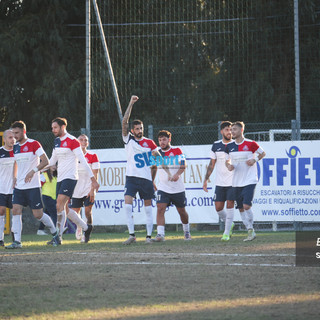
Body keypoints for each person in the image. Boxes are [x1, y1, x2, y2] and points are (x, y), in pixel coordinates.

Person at [6, 121, 59, 249]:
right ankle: (17, 241)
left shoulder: (34, 144)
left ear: (24, 131)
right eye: (13, 134)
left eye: (17, 133)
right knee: (16, 210)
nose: (15, 136)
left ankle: (55, 233)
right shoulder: (16, 147)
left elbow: (45, 161)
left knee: (38, 215)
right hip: (19, 187)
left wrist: (33, 171)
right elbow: (16, 163)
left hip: (33, 187)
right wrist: (14, 177)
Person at [48, 118, 99, 245]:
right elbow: (52, 161)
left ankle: (58, 237)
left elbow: (83, 161)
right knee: (64, 208)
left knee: (59, 204)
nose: (53, 130)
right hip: (60, 178)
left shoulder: (72, 141)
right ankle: (86, 228)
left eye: (55, 127)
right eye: (52, 128)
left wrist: (93, 180)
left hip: (71, 177)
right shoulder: (56, 141)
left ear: (63, 126)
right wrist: (37, 169)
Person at [122, 95, 165, 245]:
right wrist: (131, 103)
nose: (140, 130)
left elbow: (158, 162)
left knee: (148, 209)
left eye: (141, 128)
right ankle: (132, 235)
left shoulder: (150, 143)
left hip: (146, 179)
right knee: (127, 205)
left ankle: (148, 237)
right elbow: (124, 121)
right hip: (131, 178)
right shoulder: (128, 139)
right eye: (137, 128)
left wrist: (156, 154)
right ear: (132, 130)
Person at [225, 121, 266, 241]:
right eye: (231, 130)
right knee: (241, 208)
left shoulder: (251, 144)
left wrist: (255, 160)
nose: (232, 132)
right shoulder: (229, 146)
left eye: (235, 130)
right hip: (236, 181)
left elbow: (263, 153)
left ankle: (251, 229)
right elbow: (227, 161)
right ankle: (250, 230)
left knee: (247, 205)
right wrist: (229, 166)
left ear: (241, 131)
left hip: (250, 179)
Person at [152, 130, 191, 242]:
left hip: (177, 188)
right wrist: (152, 181)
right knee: (160, 209)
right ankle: (160, 235)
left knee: (182, 211)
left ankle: (187, 232)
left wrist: (177, 175)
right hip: (163, 188)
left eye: (164, 139)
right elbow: (153, 168)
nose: (162, 142)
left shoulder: (177, 150)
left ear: (169, 139)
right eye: (160, 140)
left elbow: (183, 165)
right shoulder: (156, 153)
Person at [203, 121, 235, 241]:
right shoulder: (216, 145)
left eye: (231, 129)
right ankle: (229, 223)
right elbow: (212, 164)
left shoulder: (236, 144)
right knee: (218, 208)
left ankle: (226, 233)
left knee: (230, 204)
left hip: (233, 181)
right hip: (220, 183)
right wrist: (205, 180)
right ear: (221, 131)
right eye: (227, 130)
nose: (229, 132)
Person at [68, 134, 100, 243]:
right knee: (75, 212)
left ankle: (87, 234)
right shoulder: (73, 156)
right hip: (76, 189)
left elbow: (95, 174)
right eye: (81, 140)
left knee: (87, 211)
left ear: (88, 143)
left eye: (85, 140)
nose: (83, 141)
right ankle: (80, 226)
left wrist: (92, 190)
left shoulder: (92, 156)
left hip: (88, 188)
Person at [0, 130, 16, 246]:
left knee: (16, 212)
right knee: (1, 212)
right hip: (1, 188)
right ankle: (0, 239)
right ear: (4, 139)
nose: (13, 140)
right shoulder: (0, 152)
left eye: (14, 137)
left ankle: (16, 237)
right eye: (10, 137)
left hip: (15, 188)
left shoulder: (18, 152)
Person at [37, 167, 58, 236]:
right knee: (54, 213)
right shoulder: (44, 175)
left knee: (47, 214)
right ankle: (55, 229)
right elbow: (38, 185)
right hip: (47, 196)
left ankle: (40, 230)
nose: (54, 166)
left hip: (54, 197)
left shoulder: (56, 176)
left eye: (55, 165)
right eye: (53, 165)